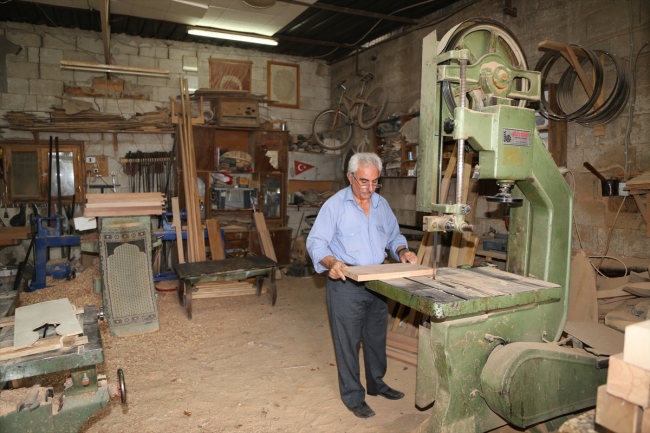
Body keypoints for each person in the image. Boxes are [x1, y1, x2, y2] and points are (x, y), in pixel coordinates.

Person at [306, 152, 418, 419]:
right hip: (346, 282)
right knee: (347, 341)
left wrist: (402, 251)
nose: (370, 188)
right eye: (364, 181)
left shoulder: (381, 204)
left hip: (377, 281)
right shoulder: (335, 206)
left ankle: (377, 384)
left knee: (376, 337)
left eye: (375, 182)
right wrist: (331, 262)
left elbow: (394, 236)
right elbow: (316, 242)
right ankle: (354, 397)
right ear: (350, 177)